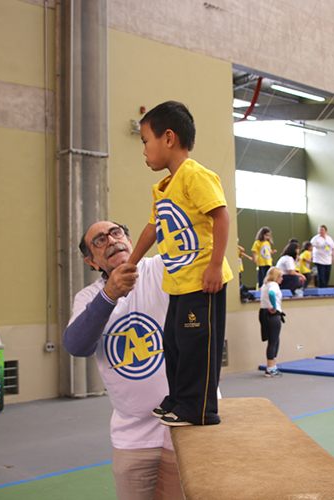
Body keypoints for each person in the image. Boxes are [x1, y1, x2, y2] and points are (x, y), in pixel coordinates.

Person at [128, 101, 232, 427]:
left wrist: (215, 266)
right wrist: (130, 264)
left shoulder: (194, 175)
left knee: (197, 345)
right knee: (173, 342)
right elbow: (151, 229)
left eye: (146, 141)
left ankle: (200, 409)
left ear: (169, 138)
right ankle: (179, 398)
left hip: (203, 280)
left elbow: (221, 217)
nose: (144, 150)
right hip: (178, 282)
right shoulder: (163, 188)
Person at [63, 221, 184, 500]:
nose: (111, 240)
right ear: (91, 261)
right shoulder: (88, 298)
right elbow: (76, 346)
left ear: (130, 240)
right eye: (99, 240)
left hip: (185, 424)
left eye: (116, 233)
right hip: (134, 437)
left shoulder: (159, 268)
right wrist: (109, 295)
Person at [259, 267, 285, 377]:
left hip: (264, 313)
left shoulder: (265, 285)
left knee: (274, 340)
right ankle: (270, 368)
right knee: (273, 341)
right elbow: (271, 294)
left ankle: (273, 365)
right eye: (280, 276)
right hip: (272, 314)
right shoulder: (274, 285)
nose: (282, 278)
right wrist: (274, 306)